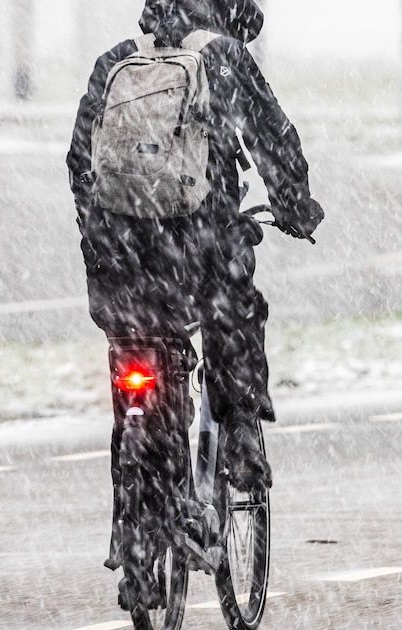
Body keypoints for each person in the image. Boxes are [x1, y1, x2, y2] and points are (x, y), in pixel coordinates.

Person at [66, 0, 323, 491]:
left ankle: (134, 511)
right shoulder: (224, 57)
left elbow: (80, 158)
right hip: (199, 250)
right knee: (234, 312)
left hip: (123, 258)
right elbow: (275, 139)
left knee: (133, 360)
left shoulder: (116, 61)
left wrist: (99, 234)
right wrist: (296, 205)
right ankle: (242, 435)